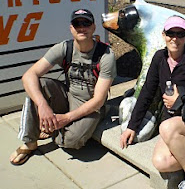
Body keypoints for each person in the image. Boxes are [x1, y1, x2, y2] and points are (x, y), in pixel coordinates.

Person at [120, 15, 185, 189]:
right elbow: (147, 92)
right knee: (161, 162)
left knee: (166, 127)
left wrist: (182, 99)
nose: (174, 38)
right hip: (171, 128)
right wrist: (132, 126)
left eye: (180, 34)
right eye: (170, 33)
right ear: (164, 35)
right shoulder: (159, 59)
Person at [10, 9, 117, 165]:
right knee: (37, 86)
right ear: (71, 28)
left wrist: (66, 118)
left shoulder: (106, 55)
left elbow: (99, 100)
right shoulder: (64, 48)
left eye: (86, 23)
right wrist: (42, 105)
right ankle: (30, 142)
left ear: (94, 27)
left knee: (71, 142)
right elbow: (29, 76)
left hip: (90, 105)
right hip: (67, 95)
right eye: (77, 23)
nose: (82, 27)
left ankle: (51, 127)